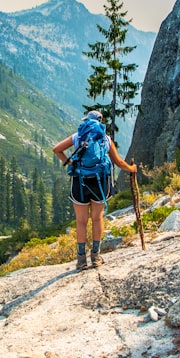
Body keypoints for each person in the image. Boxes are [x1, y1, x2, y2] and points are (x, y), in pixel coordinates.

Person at [52, 110, 137, 270]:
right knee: (97, 219)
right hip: (100, 183)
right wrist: (132, 169)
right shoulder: (105, 139)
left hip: (80, 182)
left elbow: (56, 149)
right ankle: (96, 256)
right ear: (100, 121)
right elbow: (118, 162)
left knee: (81, 221)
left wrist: (70, 163)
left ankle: (81, 260)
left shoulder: (77, 136)